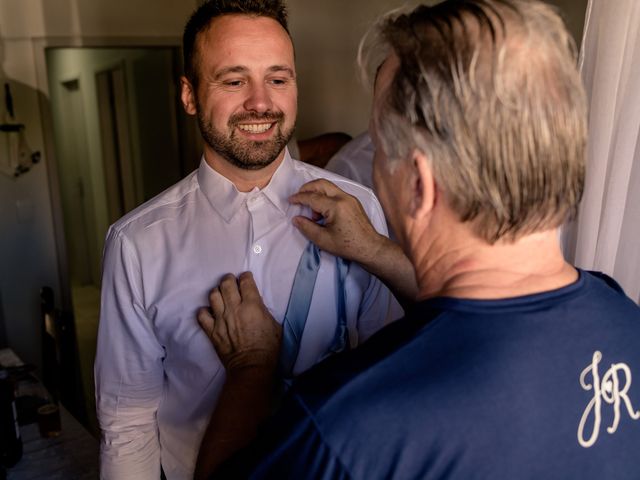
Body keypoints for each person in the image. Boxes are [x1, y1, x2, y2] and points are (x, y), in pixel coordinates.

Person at [194, 0, 640, 478]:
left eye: (379, 150)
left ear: (419, 184)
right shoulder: (621, 315)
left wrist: (252, 369)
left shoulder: (350, 421)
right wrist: (374, 250)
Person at [93, 1, 400, 478]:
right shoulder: (137, 244)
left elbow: (389, 373)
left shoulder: (358, 209)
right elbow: (128, 424)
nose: (261, 102)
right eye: (235, 81)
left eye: (278, 79)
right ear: (190, 94)